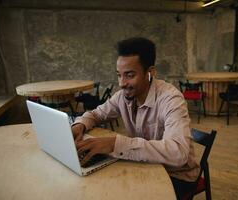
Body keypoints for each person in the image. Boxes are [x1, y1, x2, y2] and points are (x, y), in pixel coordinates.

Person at [72, 37, 199, 199]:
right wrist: (79, 126)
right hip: (145, 165)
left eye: (129, 75)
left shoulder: (171, 98)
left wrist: (115, 143)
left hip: (177, 175)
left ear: (150, 72)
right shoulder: (122, 96)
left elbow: (178, 153)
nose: (122, 83)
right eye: (119, 75)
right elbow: (96, 114)